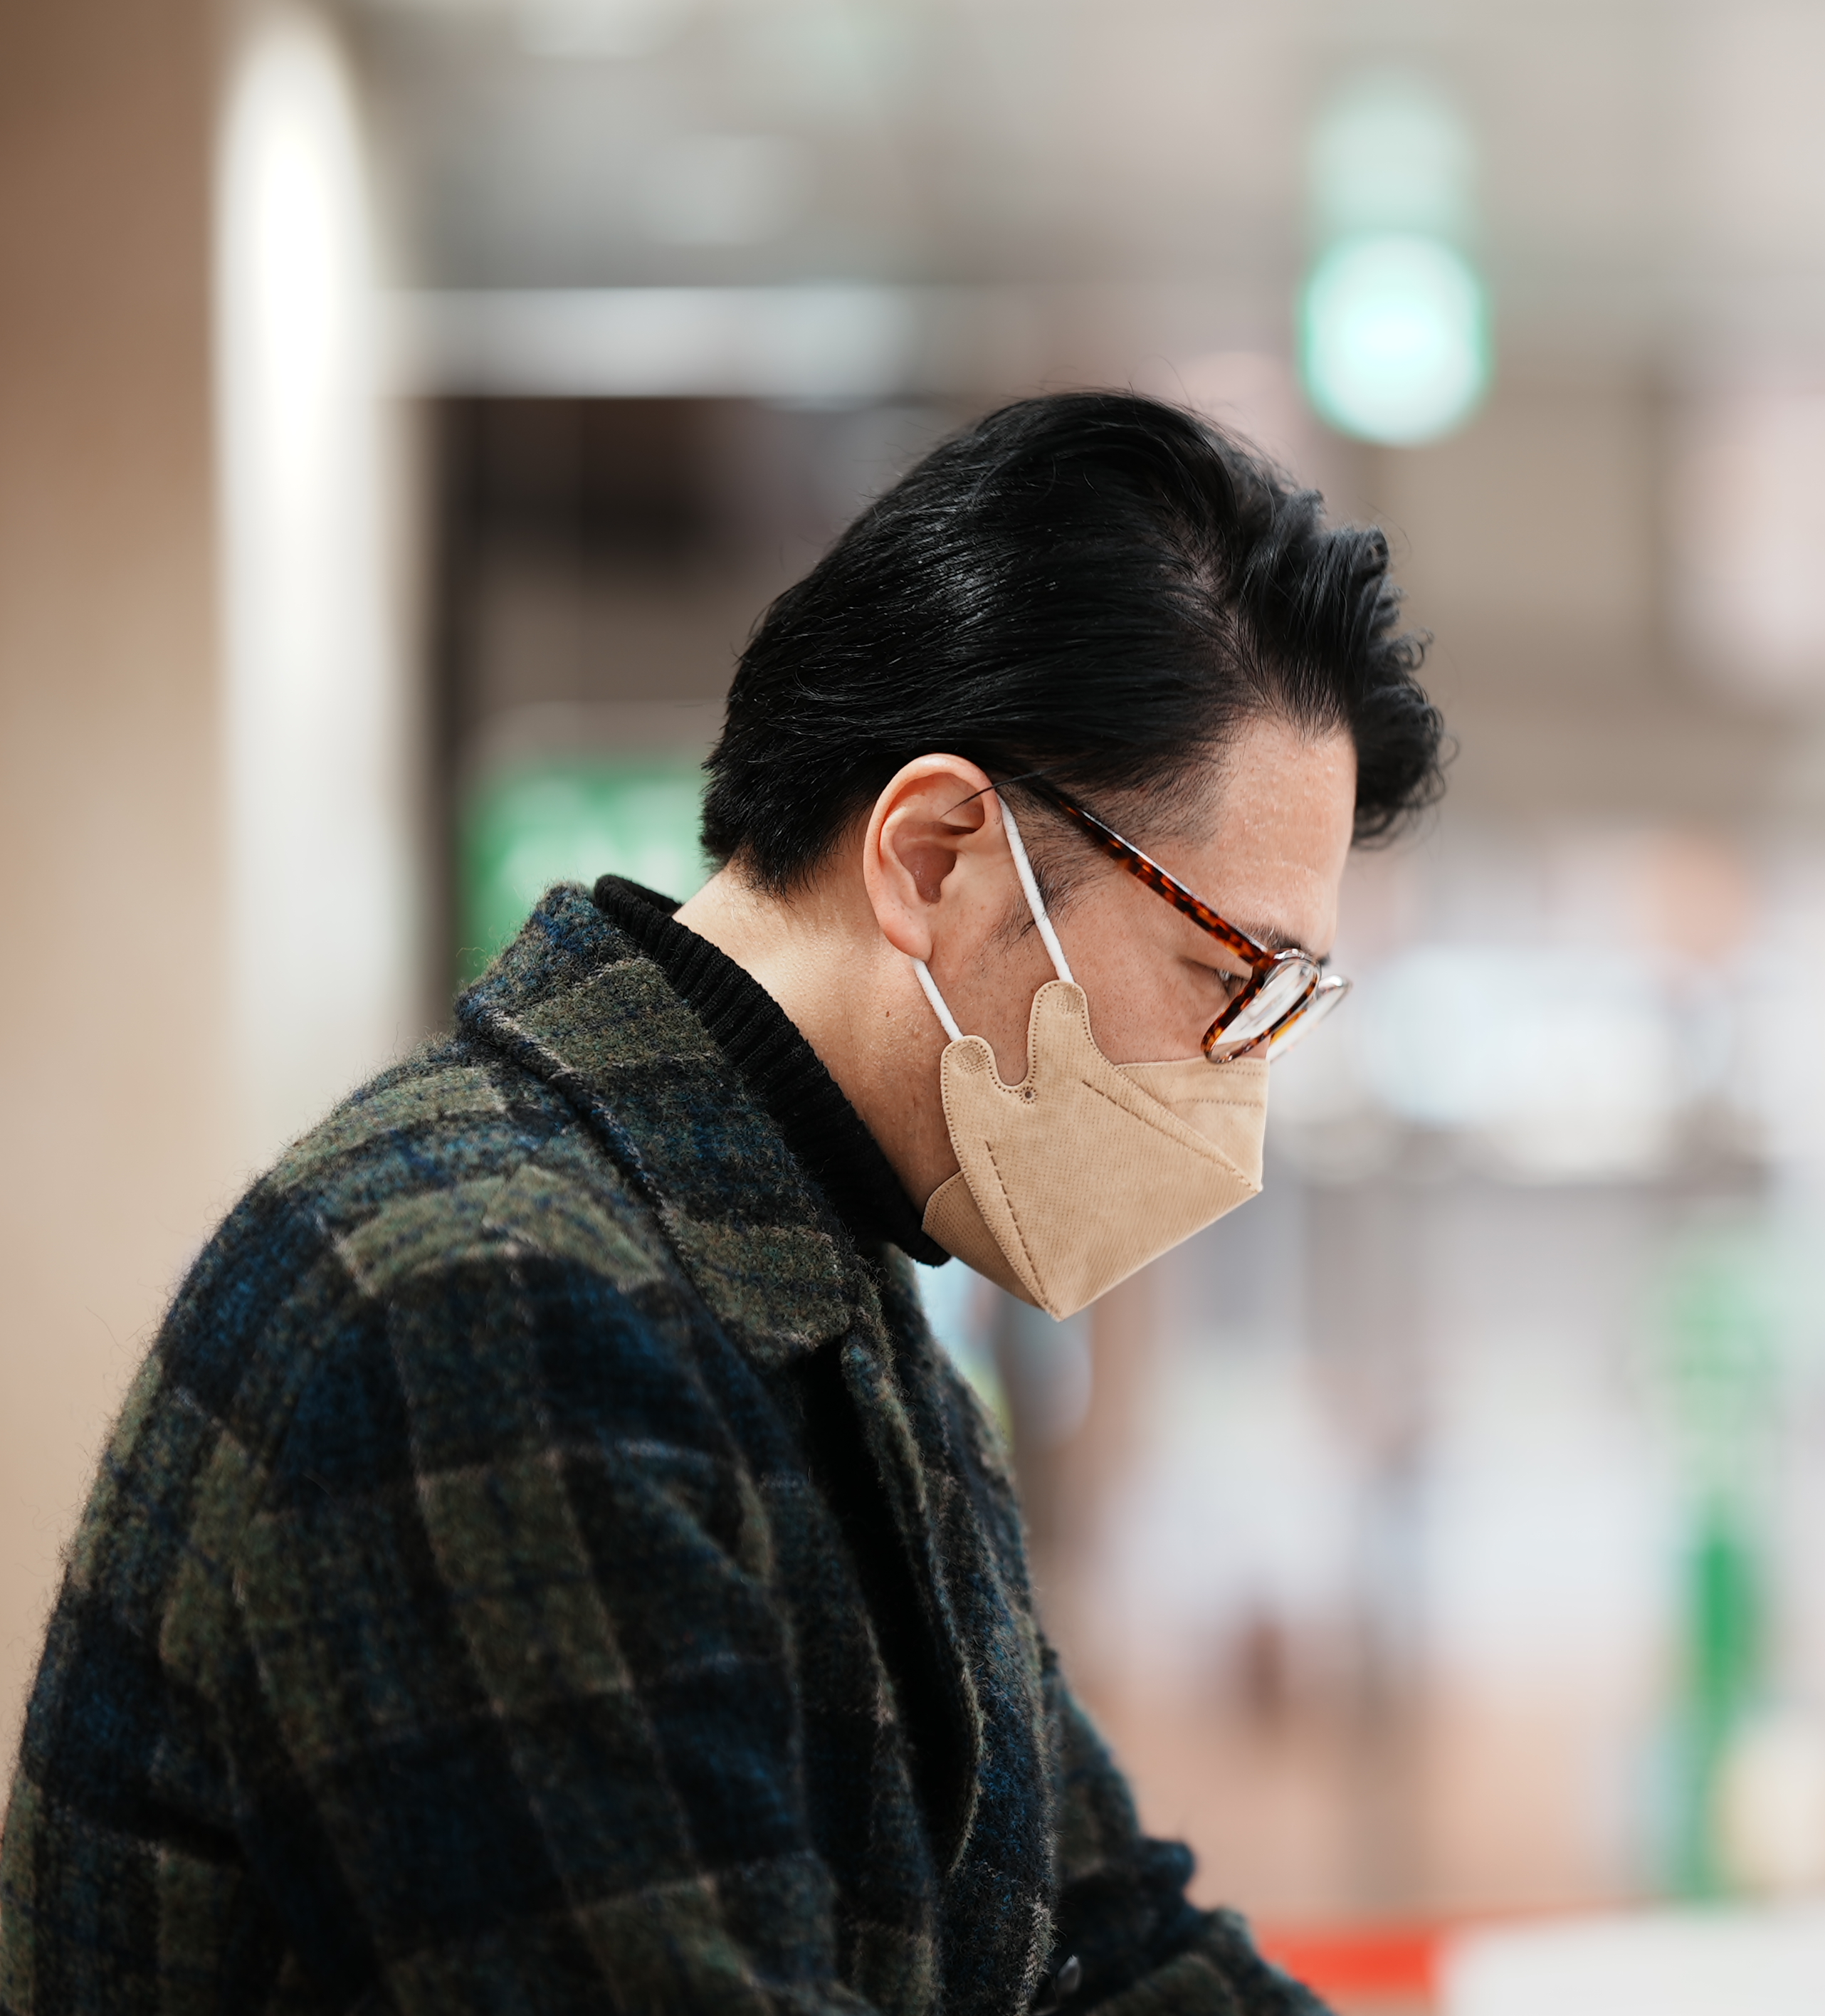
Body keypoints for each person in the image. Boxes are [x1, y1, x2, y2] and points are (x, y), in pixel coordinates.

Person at [0, 393, 1446, 2015]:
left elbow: (1105, 1943)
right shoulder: (486, 1312)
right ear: (937, 856)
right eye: (1221, 974)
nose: (1236, 1074)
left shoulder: (822, 1293)